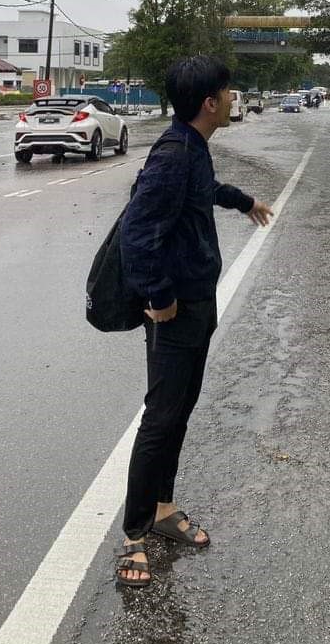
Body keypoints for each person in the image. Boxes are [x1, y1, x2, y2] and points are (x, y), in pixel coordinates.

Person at [116, 55, 274, 587]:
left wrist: (243, 200)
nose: (233, 99)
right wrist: (158, 298)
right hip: (175, 309)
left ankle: (162, 507)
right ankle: (134, 534)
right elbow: (138, 232)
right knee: (161, 417)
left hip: (195, 303)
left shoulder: (192, 147)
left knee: (179, 409)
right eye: (227, 93)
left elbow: (201, 193)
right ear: (209, 103)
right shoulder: (173, 153)